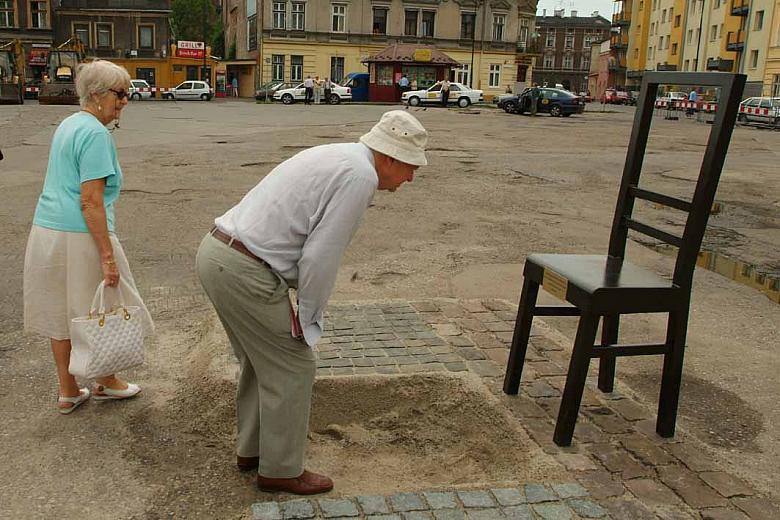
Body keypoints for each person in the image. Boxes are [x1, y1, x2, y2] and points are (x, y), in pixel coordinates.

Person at [195, 110, 428, 494]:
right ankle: (281, 470)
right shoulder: (360, 176)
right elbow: (321, 255)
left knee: (261, 361)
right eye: (409, 166)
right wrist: (309, 316)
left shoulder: (342, 156)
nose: (411, 178)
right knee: (294, 365)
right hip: (243, 268)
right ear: (389, 156)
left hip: (220, 253)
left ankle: (253, 452)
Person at [23, 60, 154, 414]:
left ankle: (68, 389)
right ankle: (106, 380)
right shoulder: (96, 134)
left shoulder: (69, 124)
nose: (125, 101)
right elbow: (91, 200)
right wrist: (108, 257)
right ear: (96, 95)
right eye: (120, 94)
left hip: (47, 229)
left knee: (62, 311)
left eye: (127, 94)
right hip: (80, 235)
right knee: (103, 306)